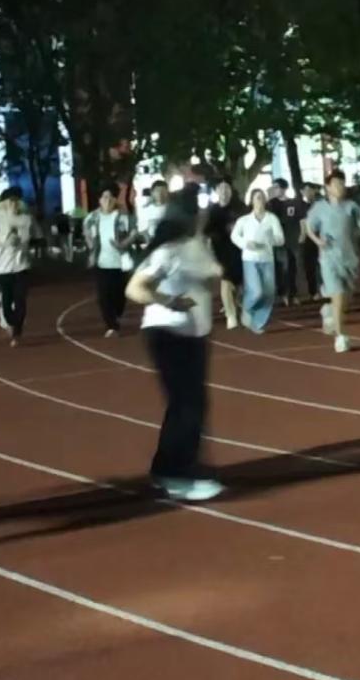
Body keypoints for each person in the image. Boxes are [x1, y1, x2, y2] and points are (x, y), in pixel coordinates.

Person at [126, 188, 224, 502]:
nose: (204, 214)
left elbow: (211, 280)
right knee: (187, 404)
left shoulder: (199, 247)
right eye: (199, 210)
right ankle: (177, 474)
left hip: (195, 336)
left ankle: (170, 467)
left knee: (192, 404)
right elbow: (135, 288)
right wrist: (168, 300)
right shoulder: (167, 251)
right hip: (167, 333)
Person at [306, 170, 360, 353]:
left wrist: (358, 234)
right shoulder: (319, 208)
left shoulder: (351, 207)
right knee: (338, 294)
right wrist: (318, 241)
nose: (340, 187)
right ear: (328, 187)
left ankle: (329, 310)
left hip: (349, 259)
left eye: (342, 183)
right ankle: (340, 337)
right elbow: (309, 227)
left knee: (345, 300)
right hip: (328, 259)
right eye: (336, 184)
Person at [0, 187, 37, 347]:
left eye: (17, 200)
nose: (14, 203)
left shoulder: (27, 219)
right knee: (7, 301)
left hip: (21, 265)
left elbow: (35, 237)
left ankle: (17, 332)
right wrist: (3, 243)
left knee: (21, 299)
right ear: (4, 203)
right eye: (10, 201)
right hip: (2, 267)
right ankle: (11, 322)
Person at [84, 184, 136, 337]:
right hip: (101, 262)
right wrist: (91, 246)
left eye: (111, 197)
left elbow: (133, 232)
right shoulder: (92, 218)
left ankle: (117, 313)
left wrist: (123, 244)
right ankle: (111, 326)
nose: (107, 201)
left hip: (120, 262)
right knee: (103, 295)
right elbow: (87, 233)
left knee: (119, 295)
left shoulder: (123, 217)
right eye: (104, 197)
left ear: (115, 200)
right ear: (99, 200)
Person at [231, 189, 284, 334]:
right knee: (256, 291)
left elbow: (280, 239)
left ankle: (257, 322)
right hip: (250, 259)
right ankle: (247, 308)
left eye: (262, 198)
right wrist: (245, 244)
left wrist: (269, 240)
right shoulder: (244, 220)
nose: (260, 201)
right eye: (257, 198)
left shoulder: (272, 219)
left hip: (267, 259)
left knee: (268, 293)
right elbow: (234, 236)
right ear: (252, 201)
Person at [205, 177, 243, 329]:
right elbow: (206, 233)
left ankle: (235, 304)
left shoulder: (239, 208)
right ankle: (230, 315)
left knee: (238, 282)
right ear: (216, 191)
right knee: (226, 280)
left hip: (239, 249)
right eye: (221, 189)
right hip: (220, 250)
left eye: (227, 188)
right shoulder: (212, 210)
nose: (224, 192)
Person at [268, 179, 307, 306]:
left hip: (292, 240)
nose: (275, 189)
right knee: (280, 267)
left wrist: (303, 233)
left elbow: (302, 220)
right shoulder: (271, 204)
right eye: (273, 187)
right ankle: (282, 293)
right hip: (277, 241)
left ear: (284, 188)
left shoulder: (294, 203)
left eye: (277, 187)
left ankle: (292, 294)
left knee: (292, 267)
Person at [299, 182, 322, 302]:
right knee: (309, 266)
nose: (308, 193)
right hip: (308, 239)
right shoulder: (301, 206)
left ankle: (326, 288)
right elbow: (302, 222)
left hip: (321, 237)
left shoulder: (321, 204)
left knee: (323, 264)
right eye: (305, 190)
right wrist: (303, 235)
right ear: (302, 192)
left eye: (310, 190)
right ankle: (313, 291)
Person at [137, 180, 169, 249]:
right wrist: (149, 242)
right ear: (152, 192)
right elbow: (142, 230)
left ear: (168, 192)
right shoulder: (146, 209)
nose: (160, 193)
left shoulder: (172, 208)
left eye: (163, 191)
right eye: (157, 191)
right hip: (151, 240)